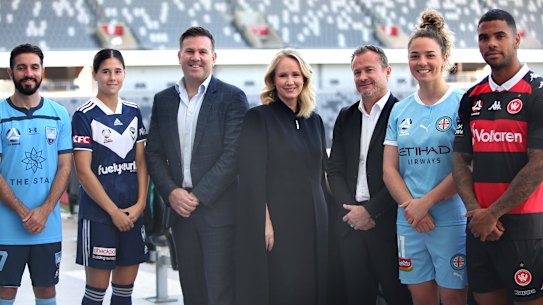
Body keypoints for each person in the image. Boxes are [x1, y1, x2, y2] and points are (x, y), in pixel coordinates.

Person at [145, 26, 249, 305]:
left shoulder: (232, 97)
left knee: (221, 293)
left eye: (203, 52)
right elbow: (153, 153)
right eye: (189, 51)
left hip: (219, 214)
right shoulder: (163, 101)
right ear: (179, 55)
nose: (196, 57)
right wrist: (171, 192)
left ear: (214, 56)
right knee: (192, 293)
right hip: (180, 215)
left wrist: (198, 195)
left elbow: (234, 155)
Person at [453, 8, 543, 305]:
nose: (490, 43)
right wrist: (476, 212)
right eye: (483, 37)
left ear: (517, 39)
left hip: (525, 228)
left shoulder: (538, 92)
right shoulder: (471, 97)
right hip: (479, 226)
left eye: (499, 36)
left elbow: (539, 163)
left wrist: (492, 213)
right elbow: (460, 160)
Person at [383, 9, 468, 305]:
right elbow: (389, 170)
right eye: (415, 56)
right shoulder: (400, 109)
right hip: (409, 219)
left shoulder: (463, 101)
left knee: (454, 297)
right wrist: (411, 207)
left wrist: (426, 204)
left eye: (430, 55)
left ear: (444, 58)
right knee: (420, 299)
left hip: (449, 218)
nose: (422, 63)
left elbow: (466, 166)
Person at [235, 49, 328, 305]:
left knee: (313, 287)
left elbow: (322, 174)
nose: (290, 81)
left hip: (315, 219)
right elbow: (252, 177)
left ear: (305, 79)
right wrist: (264, 222)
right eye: (283, 75)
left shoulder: (315, 121)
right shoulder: (258, 118)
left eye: (296, 75)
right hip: (279, 220)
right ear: (273, 81)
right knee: (285, 287)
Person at [327, 45, 412, 305]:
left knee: (397, 296)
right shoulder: (346, 115)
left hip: (387, 224)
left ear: (387, 72)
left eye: (369, 70)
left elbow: (406, 173)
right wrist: (352, 211)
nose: (362, 77)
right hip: (351, 224)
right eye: (357, 72)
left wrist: (370, 212)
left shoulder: (402, 113)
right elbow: (335, 169)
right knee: (357, 296)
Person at [72, 49, 148, 305]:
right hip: (99, 217)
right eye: (105, 71)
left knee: (125, 292)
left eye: (117, 71)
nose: (112, 77)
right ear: (95, 75)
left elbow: (141, 161)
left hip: (133, 214)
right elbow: (83, 171)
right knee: (95, 294)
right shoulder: (84, 115)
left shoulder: (133, 111)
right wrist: (113, 211)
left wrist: (139, 205)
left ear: (124, 74)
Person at [0, 44, 72, 305]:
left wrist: (44, 210)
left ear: (42, 71)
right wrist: (22, 211)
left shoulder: (59, 115)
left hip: (48, 226)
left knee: (46, 291)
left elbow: (65, 167)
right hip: (6, 227)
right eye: (21, 68)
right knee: (5, 292)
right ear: (11, 73)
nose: (28, 73)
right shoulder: (0, 114)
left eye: (34, 67)